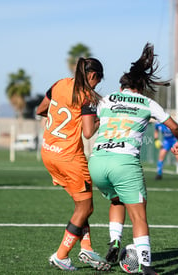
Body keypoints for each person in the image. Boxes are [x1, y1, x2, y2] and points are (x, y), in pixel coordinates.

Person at [88, 43, 178, 275]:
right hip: (124, 163)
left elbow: (92, 125)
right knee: (139, 216)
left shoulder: (106, 100)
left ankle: (114, 241)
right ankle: (147, 266)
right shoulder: (148, 103)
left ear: (121, 85)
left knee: (116, 200)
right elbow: (174, 126)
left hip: (98, 162)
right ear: (140, 87)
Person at [36, 57, 110, 271]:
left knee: (82, 205)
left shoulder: (59, 84)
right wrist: (103, 118)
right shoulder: (86, 96)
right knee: (86, 206)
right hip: (70, 158)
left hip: (49, 152)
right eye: (98, 81)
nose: (97, 85)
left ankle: (86, 247)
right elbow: (88, 132)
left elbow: (41, 109)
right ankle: (61, 255)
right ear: (92, 75)